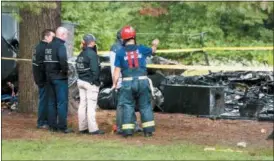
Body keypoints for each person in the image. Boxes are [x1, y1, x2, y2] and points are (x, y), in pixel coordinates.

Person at [112, 25, 159, 137]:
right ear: (134, 37)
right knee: (145, 105)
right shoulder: (142, 49)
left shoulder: (119, 52)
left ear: (123, 38)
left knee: (128, 105)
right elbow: (153, 51)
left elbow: (116, 71)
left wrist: (114, 84)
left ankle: (128, 132)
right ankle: (148, 131)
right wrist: (155, 44)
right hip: (142, 81)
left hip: (127, 83)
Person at [109, 29, 142, 134]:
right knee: (125, 103)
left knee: (124, 103)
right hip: (124, 79)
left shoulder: (114, 48)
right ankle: (125, 125)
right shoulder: (121, 49)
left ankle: (125, 124)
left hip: (119, 79)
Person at [44, 27, 73, 133]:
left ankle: (52, 126)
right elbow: (63, 61)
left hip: (49, 77)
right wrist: (65, 72)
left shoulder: (48, 45)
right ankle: (62, 126)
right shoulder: (60, 46)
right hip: (59, 78)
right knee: (61, 102)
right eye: (66, 35)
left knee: (51, 102)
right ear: (62, 34)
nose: (67, 37)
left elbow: (45, 61)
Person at [76, 34, 105, 135]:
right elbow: (95, 71)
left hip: (81, 81)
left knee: (82, 105)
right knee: (91, 106)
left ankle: (82, 127)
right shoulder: (92, 54)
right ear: (92, 42)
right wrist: (95, 82)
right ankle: (93, 129)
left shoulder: (81, 54)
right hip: (89, 83)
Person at [32, 29, 55, 129]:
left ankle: (45, 120)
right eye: (52, 37)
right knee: (44, 100)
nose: (53, 39)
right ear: (46, 36)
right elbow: (43, 65)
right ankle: (41, 122)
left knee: (44, 99)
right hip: (43, 79)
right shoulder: (45, 48)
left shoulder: (37, 47)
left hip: (39, 77)